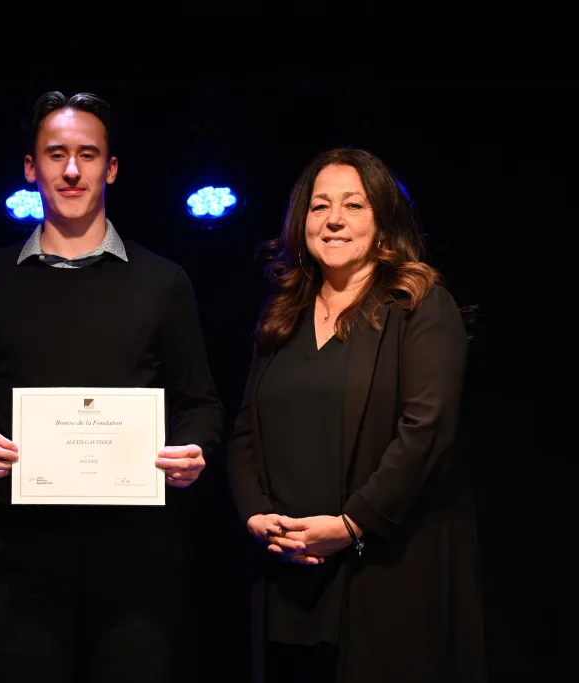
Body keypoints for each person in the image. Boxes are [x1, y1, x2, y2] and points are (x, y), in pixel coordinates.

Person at [0, 91, 224, 683]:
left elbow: (201, 404)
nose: (71, 170)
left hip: (137, 563)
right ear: (30, 168)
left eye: (87, 155)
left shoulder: (163, 281)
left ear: (110, 169)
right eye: (56, 153)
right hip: (17, 562)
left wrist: (193, 449)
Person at [227, 148, 486, 683]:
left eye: (353, 205)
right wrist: (256, 513)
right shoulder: (283, 313)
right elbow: (246, 428)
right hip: (290, 570)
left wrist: (351, 524)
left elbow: (426, 433)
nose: (334, 220)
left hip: (383, 570)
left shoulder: (420, 304)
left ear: (383, 219)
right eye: (320, 206)